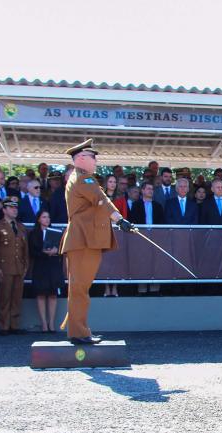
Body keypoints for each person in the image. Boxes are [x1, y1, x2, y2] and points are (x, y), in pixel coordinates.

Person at [60, 139, 135, 345]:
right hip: (83, 240)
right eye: (93, 157)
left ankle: (80, 330)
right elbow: (102, 200)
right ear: (82, 159)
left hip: (85, 240)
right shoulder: (85, 179)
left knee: (80, 288)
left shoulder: (82, 178)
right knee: (79, 289)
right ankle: (78, 333)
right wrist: (120, 220)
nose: (96, 161)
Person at [0, 197, 29, 335]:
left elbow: (25, 249)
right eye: (11, 208)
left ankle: (14, 325)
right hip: (4, 268)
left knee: (17, 298)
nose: (15, 210)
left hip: (18, 267)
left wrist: (25, 265)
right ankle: (4, 325)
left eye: (16, 208)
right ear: (4, 210)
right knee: (4, 297)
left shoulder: (21, 227)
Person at [29, 210, 65, 330]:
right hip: (41, 266)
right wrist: (44, 253)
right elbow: (32, 251)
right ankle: (44, 323)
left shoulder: (56, 232)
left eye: (48, 217)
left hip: (53, 266)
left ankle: (51, 323)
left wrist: (56, 251)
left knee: (53, 294)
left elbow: (62, 249)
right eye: (44, 217)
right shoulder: (34, 233)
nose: (47, 219)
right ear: (39, 219)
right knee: (41, 294)